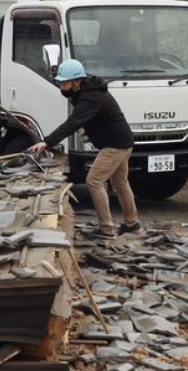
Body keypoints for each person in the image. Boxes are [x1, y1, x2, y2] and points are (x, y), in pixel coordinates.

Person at [28, 59, 140, 239]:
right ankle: (133, 225)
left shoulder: (91, 97)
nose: (61, 87)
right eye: (60, 83)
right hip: (121, 141)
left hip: (115, 145)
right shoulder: (87, 89)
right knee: (121, 184)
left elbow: (72, 123)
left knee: (94, 182)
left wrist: (47, 142)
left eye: (64, 83)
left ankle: (106, 229)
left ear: (77, 81)